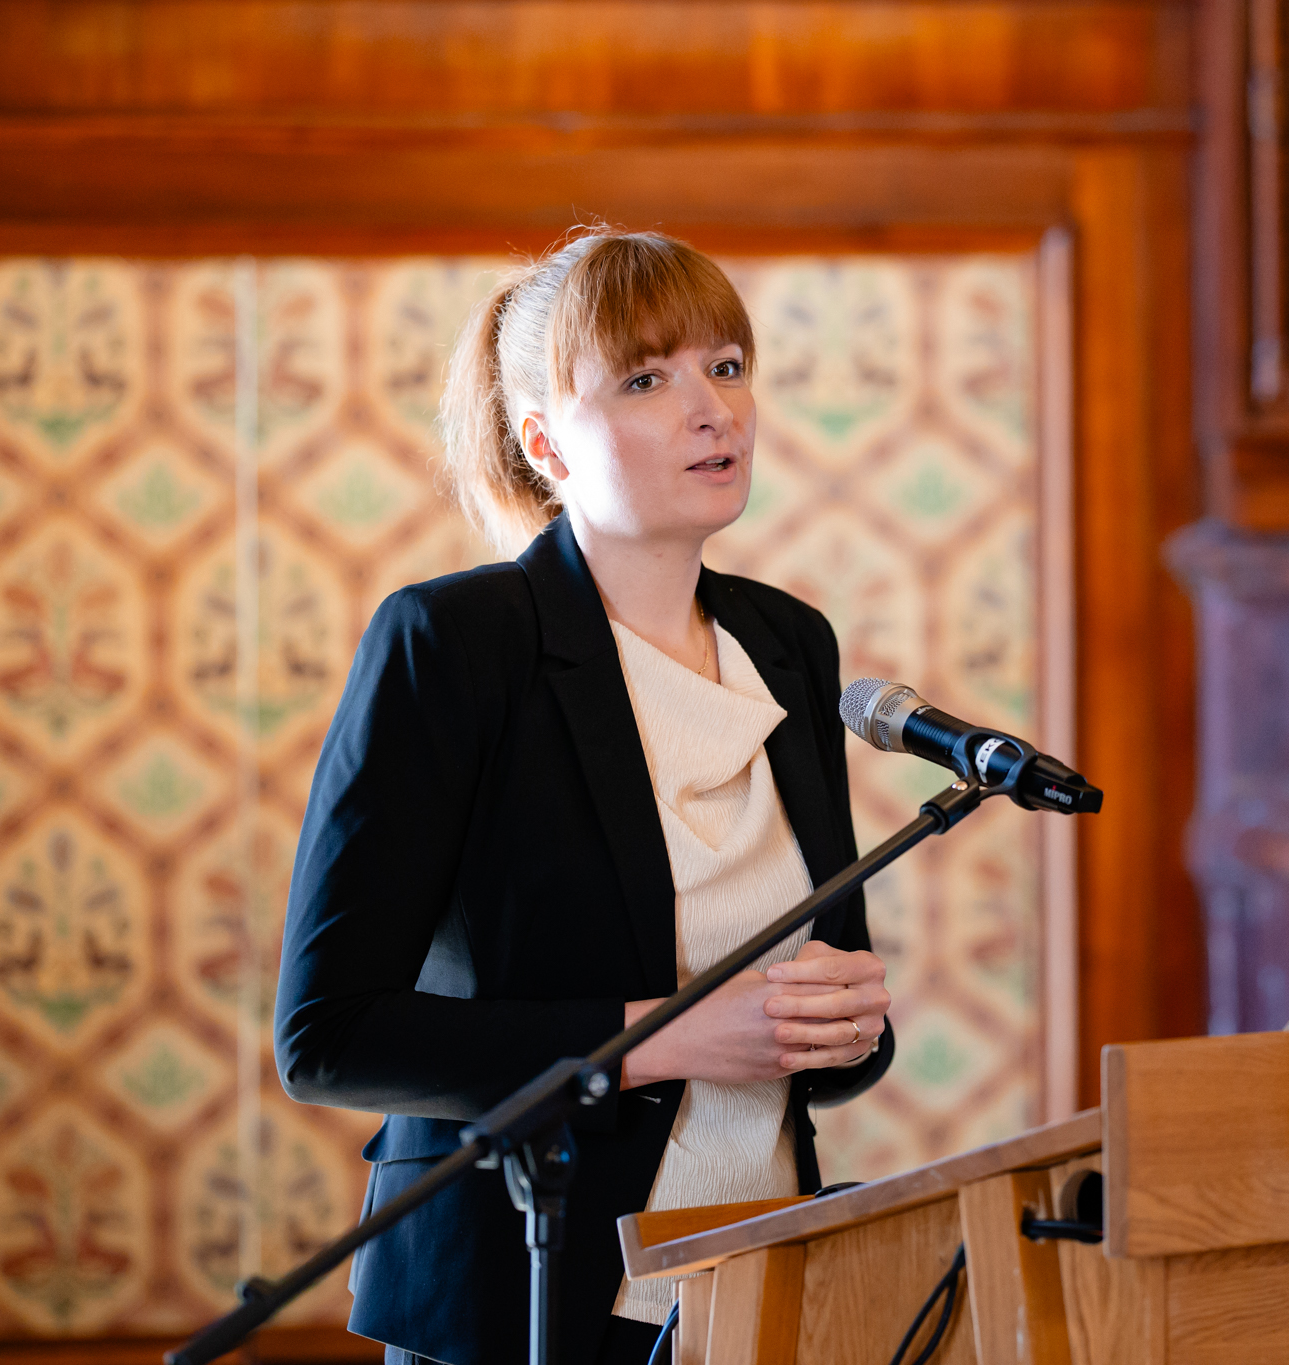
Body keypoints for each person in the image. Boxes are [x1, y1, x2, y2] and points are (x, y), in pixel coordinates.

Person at [272, 229, 894, 1365]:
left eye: (726, 366)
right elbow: (329, 1038)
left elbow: (826, 1041)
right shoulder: (454, 643)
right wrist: (661, 1038)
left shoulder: (789, 643)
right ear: (543, 443)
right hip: (524, 1290)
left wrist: (847, 1026)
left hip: (754, 1283)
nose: (711, 410)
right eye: (646, 380)